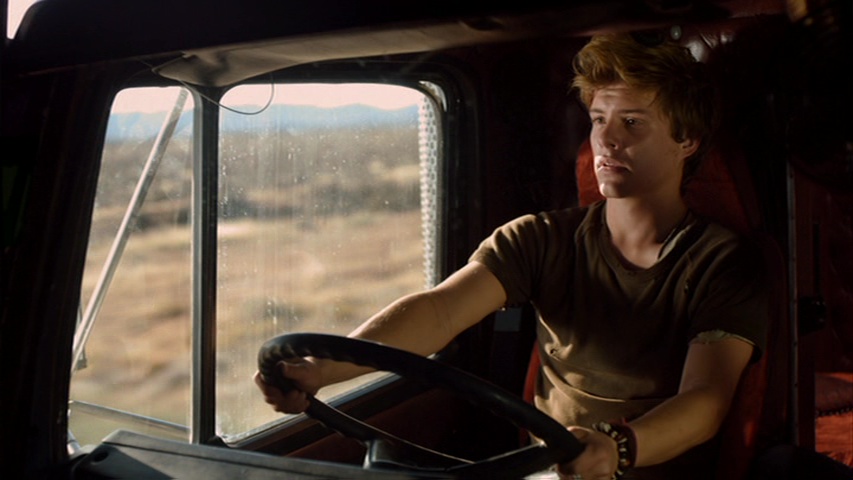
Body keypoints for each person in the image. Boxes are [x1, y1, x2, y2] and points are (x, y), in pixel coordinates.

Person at [255, 33, 768, 480]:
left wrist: (618, 448)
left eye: (632, 122)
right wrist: (321, 370)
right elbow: (440, 311)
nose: (607, 139)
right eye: (598, 119)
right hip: (545, 470)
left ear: (687, 140)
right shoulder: (540, 238)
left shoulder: (721, 261)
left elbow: (706, 398)